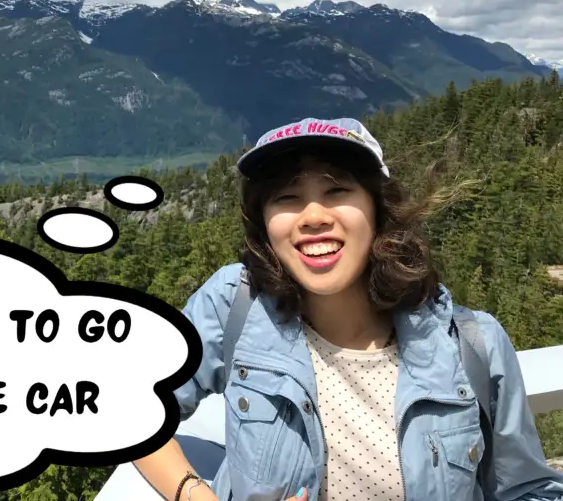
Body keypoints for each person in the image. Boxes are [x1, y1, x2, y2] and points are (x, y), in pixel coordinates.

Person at [133, 117, 563, 501]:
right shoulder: (235, 305)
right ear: (264, 223)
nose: (313, 215)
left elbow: (524, 489)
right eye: (287, 196)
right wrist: (194, 495)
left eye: (337, 189)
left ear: (378, 208)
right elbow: (134, 406)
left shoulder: (472, 344)